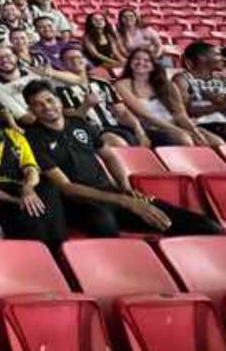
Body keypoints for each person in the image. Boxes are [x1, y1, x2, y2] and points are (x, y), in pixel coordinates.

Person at [24, 80, 222, 238]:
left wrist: (126, 189)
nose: (46, 107)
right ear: (31, 110)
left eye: (49, 100)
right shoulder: (33, 138)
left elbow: (109, 157)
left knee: (204, 225)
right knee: (104, 224)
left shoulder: (79, 124)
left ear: (59, 101)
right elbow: (66, 187)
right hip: (81, 201)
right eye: (38, 104)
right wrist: (123, 201)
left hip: (112, 193)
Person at [0, 96, 65, 248]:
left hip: (19, 189)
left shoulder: (14, 135)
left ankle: (58, 246)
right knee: (30, 213)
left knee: (49, 188)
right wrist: (16, 200)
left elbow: (31, 169)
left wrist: (27, 188)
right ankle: (38, 249)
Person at [114, 48, 223, 147]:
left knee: (217, 142)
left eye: (147, 61)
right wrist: (178, 130)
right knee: (184, 139)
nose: (141, 63)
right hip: (150, 127)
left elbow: (180, 114)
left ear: (153, 65)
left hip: (174, 124)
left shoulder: (166, 85)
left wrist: (195, 132)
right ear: (130, 62)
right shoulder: (122, 85)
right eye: (136, 59)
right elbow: (146, 116)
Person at [56, 46, 146, 147]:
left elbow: (122, 112)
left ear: (85, 60)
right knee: (116, 142)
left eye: (78, 57)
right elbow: (72, 122)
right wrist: (86, 105)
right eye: (70, 59)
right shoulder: (60, 91)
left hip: (115, 128)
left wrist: (138, 129)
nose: (75, 60)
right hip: (92, 132)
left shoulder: (102, 83)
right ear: (63, 65)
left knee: (161, 137)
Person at [174, 41, 226, 141]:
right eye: (218, 55)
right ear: (202, 57)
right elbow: (184, 109)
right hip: (200, 125)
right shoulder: (182, 79)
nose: (223, 58)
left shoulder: (221, 79)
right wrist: (218, 107)